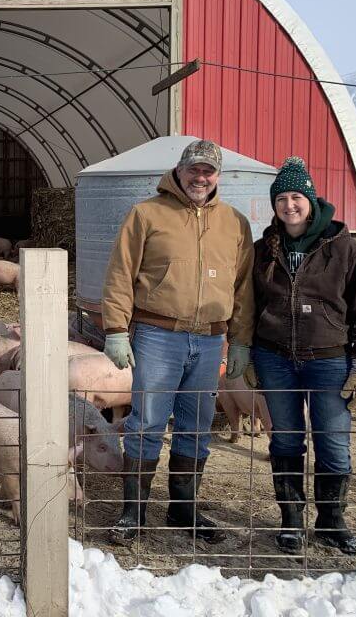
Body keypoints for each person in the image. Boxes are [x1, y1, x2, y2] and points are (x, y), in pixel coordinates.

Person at [101, 138, 255, 544]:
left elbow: (243, 290)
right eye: (195, 169)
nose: (200, 177)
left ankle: (182, 511)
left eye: (209, 171)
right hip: (158, 335)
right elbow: (120, 273)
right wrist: (116, 329)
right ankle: (132, 513)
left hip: (209, 341)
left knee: (198, 427)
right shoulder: (147, 214)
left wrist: (240, 341)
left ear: (218, 176)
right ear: (180, 170)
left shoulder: (235, 223)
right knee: (146, 422)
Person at [247, 156, 356, 556]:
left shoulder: (345, 249)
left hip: (328, 360)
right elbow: (248, 306)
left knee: (333, 441)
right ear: (274, 204)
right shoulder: (263, 250)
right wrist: (250, 354)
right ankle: (291, 522)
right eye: (282, 198)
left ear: (311, 199)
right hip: (274, 358)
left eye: (297, 197)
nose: (290, 205)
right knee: (285, 440)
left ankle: (331, 522)